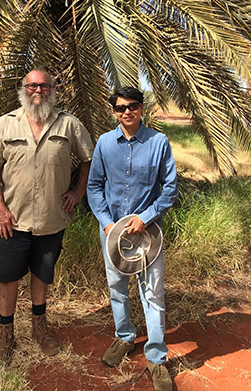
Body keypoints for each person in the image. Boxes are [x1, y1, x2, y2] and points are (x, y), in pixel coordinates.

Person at [0, 69, 94, 366]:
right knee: (8, 276)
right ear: (23, 89)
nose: (38, 90)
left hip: (52, 218)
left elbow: (88, 159)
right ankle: (6, 335)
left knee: (42, 274)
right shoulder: (5, 124)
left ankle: (40, 328)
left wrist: (78, 192)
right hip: (12, 220)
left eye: (44, 85)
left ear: (53, 89)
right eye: (32, 85)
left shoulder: (69, 124)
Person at [87, 87, 177, 391]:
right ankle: (124, 337)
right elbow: (94, 187)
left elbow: (169, 188)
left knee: (152, 292)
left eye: (133, 106)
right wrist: (107, 223)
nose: (127, 111)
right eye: (121, 107)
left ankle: (156, 357)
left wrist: (146, 216)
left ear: (141, 109)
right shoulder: (104, 143)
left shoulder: (158, 142)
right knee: (117, 287)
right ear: (114, 111)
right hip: (113, 234)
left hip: (148, 233)